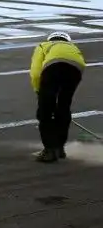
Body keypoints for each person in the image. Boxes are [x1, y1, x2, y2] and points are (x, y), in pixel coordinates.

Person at [29, 31, 86, 162]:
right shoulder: (73, 47)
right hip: (76, 69)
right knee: (64, 107)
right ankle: (60, 148)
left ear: (51, 39)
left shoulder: (43, 45)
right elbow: (81, 65)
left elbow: (36, 72)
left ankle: (49, 150)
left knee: (45, 112)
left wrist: (39, 91)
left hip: (53, 68)